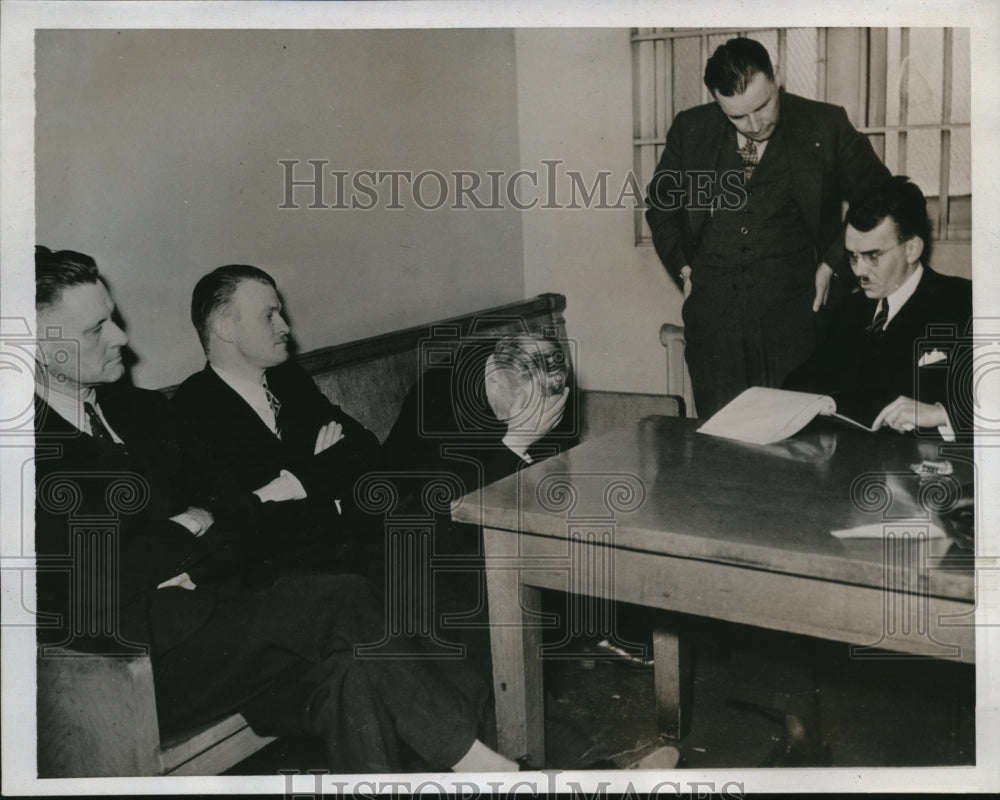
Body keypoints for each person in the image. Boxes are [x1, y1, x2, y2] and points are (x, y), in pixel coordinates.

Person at [33, 246, 517, 773]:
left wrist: (192, 538)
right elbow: (82, 581)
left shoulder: (145, 411)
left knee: (350, 674)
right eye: (95, 328)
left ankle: (471, 760)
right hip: (129, 668)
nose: (122, 337)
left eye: (113, 319)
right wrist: (192, 524)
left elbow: (238, 510)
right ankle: (486, 766)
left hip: (223, 618)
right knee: (345, 597)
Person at [645, 36, 892, 418]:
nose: (755, 125)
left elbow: (881, 193)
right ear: (716, 100)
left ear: (778, 78)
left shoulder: (825, 124)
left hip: (795, 322)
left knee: (796, 446)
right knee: (725, 445)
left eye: (762, 106)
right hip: (714, 327)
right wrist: (684, 267)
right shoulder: (689, 129)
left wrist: (833, 261)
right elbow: (661, 208)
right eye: (737, 117)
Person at [171, 265, 382, 580]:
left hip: (346, 549)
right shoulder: (192, 407)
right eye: (269, 316)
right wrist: (325, 477)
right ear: (226, 328)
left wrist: (290, 485)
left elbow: (364, 447)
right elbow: (248, 517)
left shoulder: (289, 378)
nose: (285, 326)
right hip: (284, 577)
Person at [784, 175, 973, 439]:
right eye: (853, 256)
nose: (859, 270)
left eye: (873, 256)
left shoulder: (965, 303)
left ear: (912, 249)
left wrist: (943, 414)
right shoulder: (848, 310)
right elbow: (801, 383)